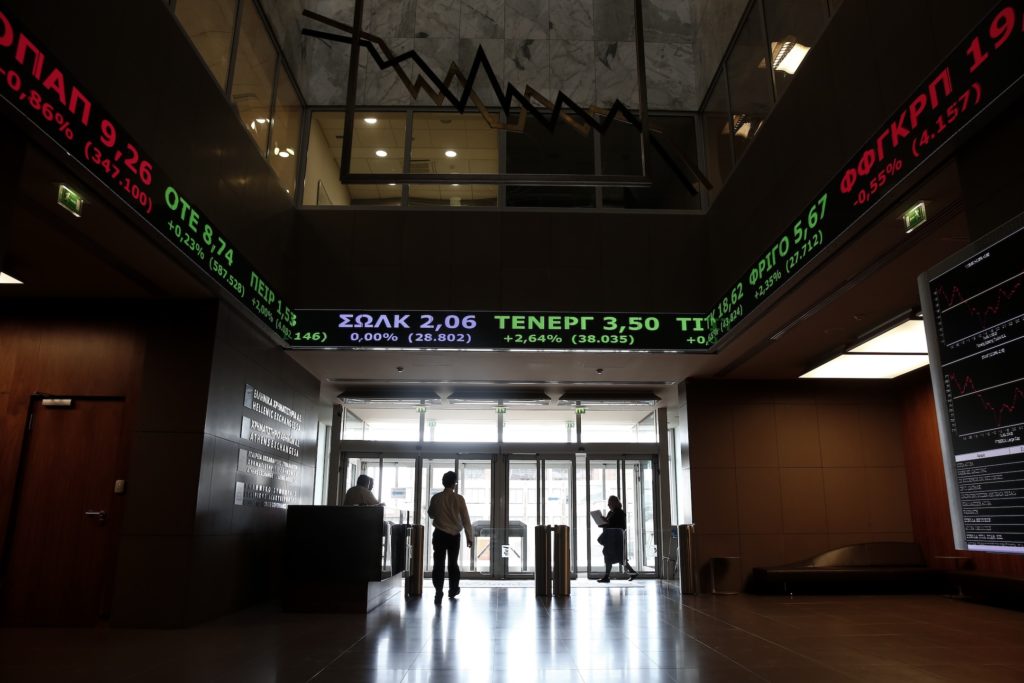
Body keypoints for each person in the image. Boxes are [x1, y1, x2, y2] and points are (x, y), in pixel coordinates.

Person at [427, 471, 473, 604]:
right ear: (454, 483)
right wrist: (469, 537)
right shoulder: (459, 499)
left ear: (443, 482)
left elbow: (431, 514)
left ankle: (438, 591)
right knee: (453, 563)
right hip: (454, 536)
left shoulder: (436, 498)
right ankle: (453, 589)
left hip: (439, 534)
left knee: (438, 563)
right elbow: (465, 519)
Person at [596, 495, 639, 583]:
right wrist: (602, 522)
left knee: (618, 557)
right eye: (608, 503)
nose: (608, 505)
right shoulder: (610, 513)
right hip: (611, 538)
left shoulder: (620, 513)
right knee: (613, 557)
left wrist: (607, 522)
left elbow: (619, 525)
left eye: (610, 503)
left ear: (615, 503)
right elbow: (608, 525)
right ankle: (631, 572)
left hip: (616, 539)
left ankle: (607, 577)